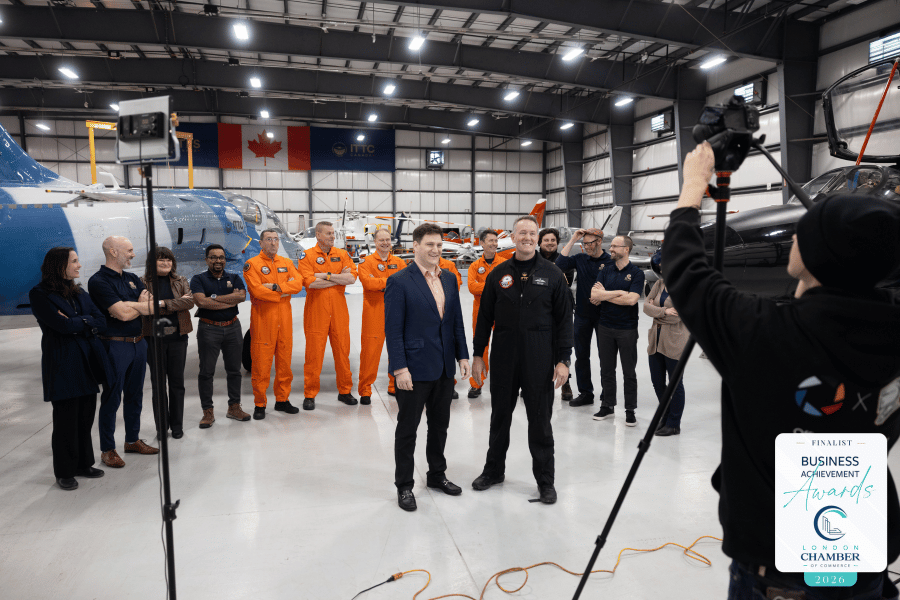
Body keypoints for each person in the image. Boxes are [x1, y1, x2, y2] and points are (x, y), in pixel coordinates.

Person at [665, 142, 900, 600]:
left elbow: (684, 267)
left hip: (783, 573)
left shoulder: (761, 333)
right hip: (861, 559)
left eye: (803, 235)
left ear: (819, 257)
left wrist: (695, 183)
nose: (793, 238)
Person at [470, 215, 573, 504]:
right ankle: (493, 471)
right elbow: (484, 318)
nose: (527, 237)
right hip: (504, 354)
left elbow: (565, 321)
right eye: (522, 233)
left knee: (540, 421)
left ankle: (545, 481)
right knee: (499, 417)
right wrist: (479, 354)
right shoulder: (498, 274)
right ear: (512, 238)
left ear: (537, 238)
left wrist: (563, 360)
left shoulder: (553, 274)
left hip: (540, 356)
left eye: (532, 233)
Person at [385, 223, 470, 512]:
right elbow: (393, 330)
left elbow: (455, 321)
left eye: (439, 246)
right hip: (414, 369)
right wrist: (400, 369)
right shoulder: (399, 281)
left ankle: (436, 475)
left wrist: (463, 356)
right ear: (415, 246)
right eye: (430, 245)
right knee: (407, 430)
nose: (436, 250)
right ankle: (405, 486)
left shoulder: (448, 279)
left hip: (444, 367)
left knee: (440, 427)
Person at [30, 248, 112, 490]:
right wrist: (84, 323)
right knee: (66, 420)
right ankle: (65, 471)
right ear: (59, 265)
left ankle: (84, 464)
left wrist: (78, 322)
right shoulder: (39, 294)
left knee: (85, 416)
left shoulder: (79, 291)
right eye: (74, 261)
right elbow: (60, 327)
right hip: (63, 363)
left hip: (87, 361)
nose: (79, 265)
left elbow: (101, 320)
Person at [88, 236, 159, 468]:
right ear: (113, 251)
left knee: (135, 395)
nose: (133, 254)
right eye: (129, 250)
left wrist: (132, 306)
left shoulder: (131, 279)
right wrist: (136, 305)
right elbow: (123, 314)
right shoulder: (98, 281)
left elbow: (151, 307)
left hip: (139, 343)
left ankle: (132, 440)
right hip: (114, 345)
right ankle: (108, 448)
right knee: (111, 397)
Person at [244, 229, 304, 419]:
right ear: (260, 243)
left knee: (285, 364)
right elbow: (257, 291)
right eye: (268, 239)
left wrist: (277, 288)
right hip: (263, 323)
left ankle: (282, 400)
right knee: (261, 365)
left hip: (284, 323)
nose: (273, 243)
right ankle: (260, 403)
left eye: (276, 239)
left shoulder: (286, 263)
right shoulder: (251, 265)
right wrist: (283, 294)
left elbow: (299, 284)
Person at [298, 222, 358, 409]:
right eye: (329, 233)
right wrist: (337, 278)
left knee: (342, 352)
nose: (333, 236)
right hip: (316, 311)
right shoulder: (307, 256)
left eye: (333, 233)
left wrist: (326, 276)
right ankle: (310, 394)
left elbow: (351, 278)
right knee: (314, 354)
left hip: (339, 312)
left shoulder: (341, 254)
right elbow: (309, 283)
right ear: (318, 235)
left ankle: (345, 391)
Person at [190, 244, 250, 428]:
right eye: (214, 257)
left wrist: (213, 299)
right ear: (207, 259)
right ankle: (207, 412)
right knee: (206, 372)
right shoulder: (198, 279)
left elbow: (241, 297)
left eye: (221, 257)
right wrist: (227, 300)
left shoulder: (234, 277)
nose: (218, 261)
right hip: (209, 329)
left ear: (225, 259)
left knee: (234, 370)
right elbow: (200, 301)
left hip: (233, 327)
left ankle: (234, 407)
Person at [589, 235, 644, 426]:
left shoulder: (636, 273)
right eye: (610, 246)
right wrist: (619, 293)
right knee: (607, 370)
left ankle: (630, 410)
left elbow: (631, 300)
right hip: (605, 327)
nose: (610, 249)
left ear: (626, 249)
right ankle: (608, 405)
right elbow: (594, 295)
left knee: (629, 371)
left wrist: (605, 296)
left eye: (614, 246)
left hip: (627, 329)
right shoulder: (606, 270)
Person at [555, 227, 613, 406]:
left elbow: (618, 285)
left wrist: (603, 296)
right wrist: (573, 240)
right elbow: (560, 264)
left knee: (606, 357)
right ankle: (586, 393)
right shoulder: (580, 259)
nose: (587, 246)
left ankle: (607, 395)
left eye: (590, 243)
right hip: (582, 315)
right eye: (584, 243)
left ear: (599, 242)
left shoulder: (611, 261)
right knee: (581, 356)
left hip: (605, 316)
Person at [141, 246, 194, 440]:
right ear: (151, 263)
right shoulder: (142, 282)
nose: (166, 263)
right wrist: (174, 303)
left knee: (177, 383)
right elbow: (145, 307)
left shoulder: (181, 281)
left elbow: (189, 302)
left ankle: (177, 426)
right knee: (158, 385)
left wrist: (162, 304)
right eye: (161, 260)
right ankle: (161, 428)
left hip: (178, 338)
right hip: (153, 339)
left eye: (169, 260)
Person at [357, 228, 407, 405]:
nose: (385, 243)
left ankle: (395, 386)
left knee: (396, 351)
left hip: (397, 312)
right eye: (381, 240)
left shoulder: (400, 263)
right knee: (370, 353)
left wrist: (381, 283)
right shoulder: (366, 262)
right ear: (375, 242)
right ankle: (365, 389)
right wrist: (392, 282)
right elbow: (368, 283)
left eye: (388, 240)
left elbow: (406, 283)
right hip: (374, 312)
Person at [641, 249, 688, 436]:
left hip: (675, 341)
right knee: (657, 382)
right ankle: (666, 414)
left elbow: (678, 317)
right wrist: (663, 311)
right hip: (656, 340)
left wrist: (656, 309)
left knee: (675, 384)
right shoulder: (659, 284)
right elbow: (645, 307)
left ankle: (674, 423)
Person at [466, 230, 507, 399]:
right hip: (481, 311)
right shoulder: (475, 266)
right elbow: (471, 287)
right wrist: (494, 287)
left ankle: (505, 382)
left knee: (504, 347)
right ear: (482, 243)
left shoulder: (505, 264)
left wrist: (484, 287)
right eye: (490, 241)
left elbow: (509, 288)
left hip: (503, 311)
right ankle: (477, 383)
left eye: (495, 241)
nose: (494, 244)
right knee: (480, 347)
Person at [539, 227, 576, 401]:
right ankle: (536, 382)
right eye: (546, 240)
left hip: (561, 309)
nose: (550, 243)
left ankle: (566, 382)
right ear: (540, 242)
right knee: (538, 348)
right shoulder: (533, 258)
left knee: (562, 345)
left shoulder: (564, 260)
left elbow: (564, 281)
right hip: (539, 310)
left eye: (553, 240)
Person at [438, 256, 463, 399]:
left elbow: (456, 284)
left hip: (448, 309)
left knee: (449, 346)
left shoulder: (449, 265)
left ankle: (450, 384)